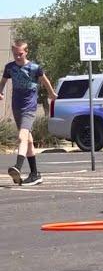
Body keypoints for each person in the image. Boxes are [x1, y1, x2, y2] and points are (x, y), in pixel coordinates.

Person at [0, 39, 58, 186]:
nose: (17, 57)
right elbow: (3, 81)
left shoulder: (34, 68)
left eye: (20, 54)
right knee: (29, 141)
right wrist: (0, 92)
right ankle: (35, 174)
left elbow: (44, 81)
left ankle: (17, 167)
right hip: (16, 107)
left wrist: (51, 93)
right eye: (15, 54)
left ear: (26, 52)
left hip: (29, 107)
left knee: (22, 137)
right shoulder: (10, 67)